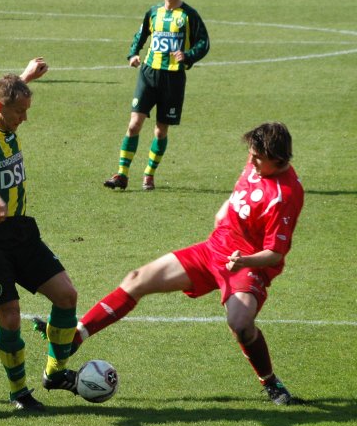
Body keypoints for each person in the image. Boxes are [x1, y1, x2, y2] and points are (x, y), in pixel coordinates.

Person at [38, 122, 304, 405]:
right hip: (213, 249)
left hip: (246, 264)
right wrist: (225, 207)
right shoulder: (256, 164)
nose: (250, 161)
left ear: (278, 159)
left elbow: (275, 254)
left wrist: (244, 261)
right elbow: (244, 190)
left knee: (240, 324)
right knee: (137, 279)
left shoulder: (285, 195)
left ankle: (271, 383)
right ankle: (76, 337)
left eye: (257, 158)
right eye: (250, 154)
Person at [0, 58, 80, 411]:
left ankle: (55, 374)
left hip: (21, 230)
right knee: (9, 314)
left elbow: (5, 102)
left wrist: (24, 79)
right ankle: (20, 393)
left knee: (66, 296)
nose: (24, 118)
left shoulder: (1, 116)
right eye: (20, 112)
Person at [104, 0, 210, 191]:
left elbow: (204, 42)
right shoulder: (153, 12)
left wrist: (188, 55)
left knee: (161, 131)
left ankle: (149, 175)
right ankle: (122, 174)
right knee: (134, 124)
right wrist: (133, 53)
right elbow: (141, 34)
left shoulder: (189, 15)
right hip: (149, 73)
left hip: (173, 78)